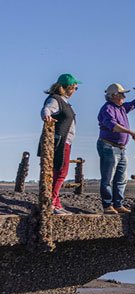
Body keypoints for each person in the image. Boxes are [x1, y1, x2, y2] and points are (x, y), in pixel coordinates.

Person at [97, 83, 135, 214]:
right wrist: (131, 132)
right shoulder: (107, 109)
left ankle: (118, 204)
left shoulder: (121, 108)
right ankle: (107, 205)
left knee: (121, 178)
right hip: (108, 146)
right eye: (122, 94)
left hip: (121, 148)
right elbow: (113, 126)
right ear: (114, 96)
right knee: (108, 177)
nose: (124, 96)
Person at [39, 73, 81, 215]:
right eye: (75, 88)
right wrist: (46, 115)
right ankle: (51, 202)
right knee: (61, 172)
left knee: (58, 171)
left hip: (64, 141)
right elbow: (47, 109)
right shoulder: (56, 99)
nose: (75, 90)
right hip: (59, 142)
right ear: (67, 87)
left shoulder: (64, 101)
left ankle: (56, 203)